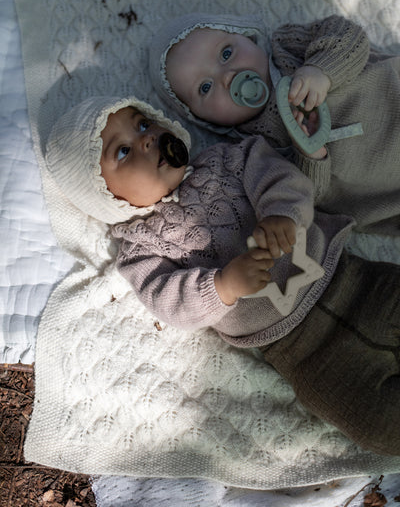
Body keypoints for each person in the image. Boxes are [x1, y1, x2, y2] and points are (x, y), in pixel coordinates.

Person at [45, 94, 400, 456]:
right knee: (382, 427)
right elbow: (170, 302)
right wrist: (222, 287)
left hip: (355, 281)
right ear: (103, 196)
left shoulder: (229, 159)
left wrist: (281, 214)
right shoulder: (141, 250)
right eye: (122, 151)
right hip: (303, 353)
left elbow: (280, 177)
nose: (146, 139)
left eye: (143, 124)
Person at [148, 12, 400, 236]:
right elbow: (307, 195)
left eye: (226, 53)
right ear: (202, 119)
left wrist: (320, 70)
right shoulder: (252, 152)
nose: (227, 77)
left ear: (248, 37)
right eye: (205, 87)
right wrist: (310, 154)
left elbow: (349, 36)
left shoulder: (286, 49)